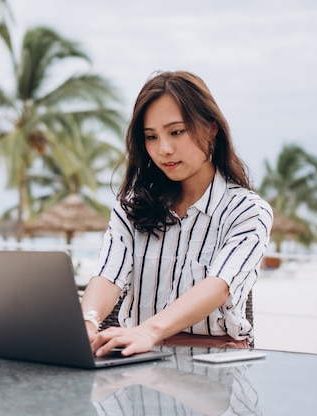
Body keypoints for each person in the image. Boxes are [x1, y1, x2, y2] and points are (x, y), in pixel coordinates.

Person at [81, 70, 273, 358]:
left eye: (176, 132)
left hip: (217, 371)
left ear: (211, 129)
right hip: (140, 360)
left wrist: (149, 331)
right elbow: (108, 274)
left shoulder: (247, 212)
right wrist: (88, 322)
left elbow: (220, 285)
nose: (164, 150)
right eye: (151, 137)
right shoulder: (131, 209)